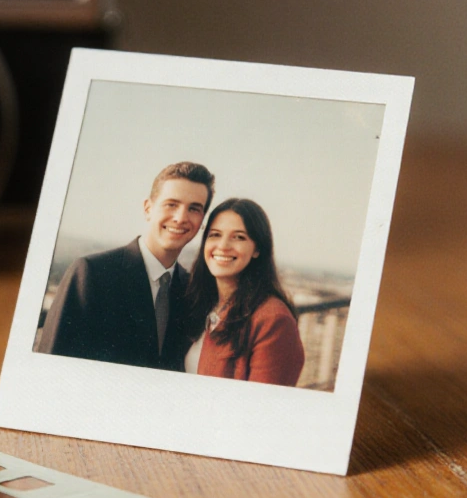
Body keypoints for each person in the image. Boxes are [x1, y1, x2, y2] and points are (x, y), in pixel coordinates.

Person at [36, 162, 215, 370]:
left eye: (194, 208)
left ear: (202, 220)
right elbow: (51, 364)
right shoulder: (91, 273)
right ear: (148, 208)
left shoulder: (190, 291)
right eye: (171, 204)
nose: (180, 217)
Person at [182, 198, 304, 386]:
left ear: (258, 249)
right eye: (215, 234)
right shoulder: (203, 303)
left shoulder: (273, 320)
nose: (223, 246)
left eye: (239, 237)